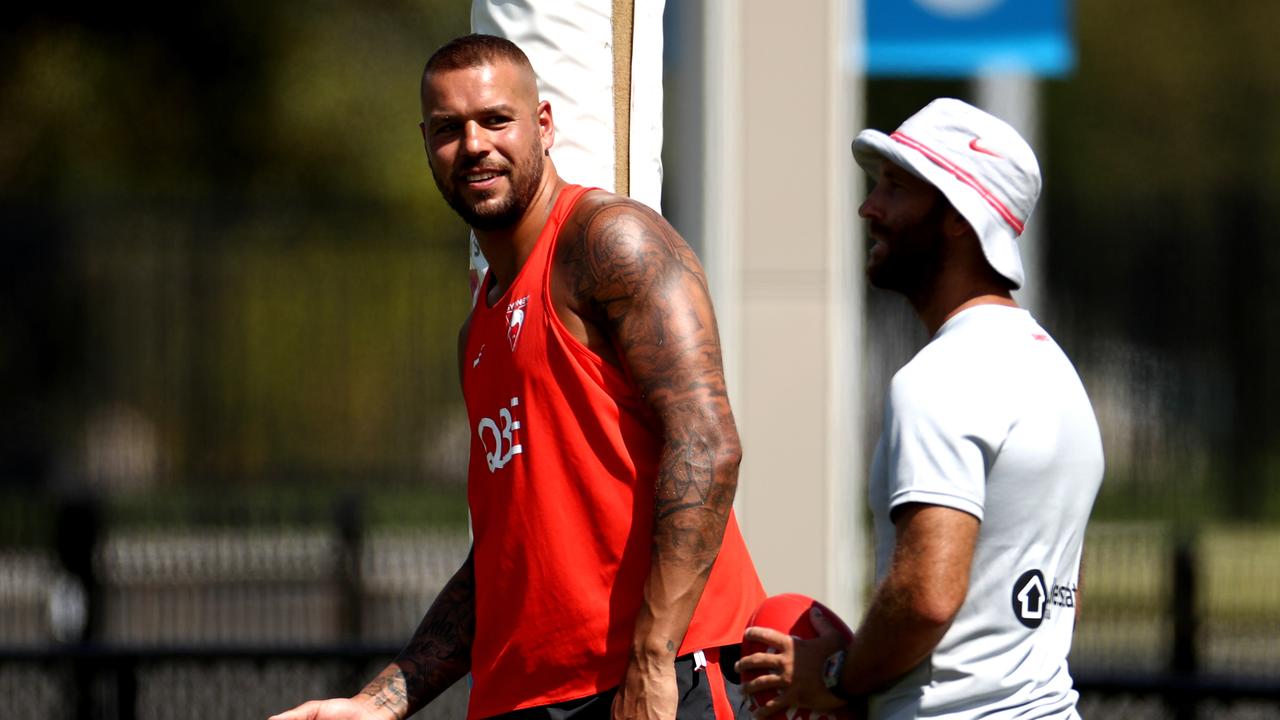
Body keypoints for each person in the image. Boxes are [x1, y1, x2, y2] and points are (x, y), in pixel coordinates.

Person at [271, 34, 764, 720]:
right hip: (526, 698)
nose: (474, 144)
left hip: (657, 680)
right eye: (449, 129)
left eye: (495, 120)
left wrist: (651, 659)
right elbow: (503, 560)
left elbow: (708, 446)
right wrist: (379, 703)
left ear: (544, 126)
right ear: (427, 144)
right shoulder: (477, 331)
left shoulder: (611, 242)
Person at [736, 98, 1104, 719]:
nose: (868, 208)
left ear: (960, 216)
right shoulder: (1058, 375)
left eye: (896, 187)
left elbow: (926, 595)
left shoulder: (943, 376)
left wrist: (834, 676)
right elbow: (1053, 586)